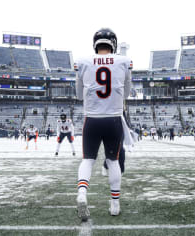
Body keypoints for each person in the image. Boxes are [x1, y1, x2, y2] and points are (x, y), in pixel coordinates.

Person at [75, 28, 132, 221]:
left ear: (95, 44)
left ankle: (82, 193)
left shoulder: (83, 62)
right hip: (113, 119)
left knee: (88, 160)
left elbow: (77, 94)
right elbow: (127, 93)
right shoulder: (124, 61)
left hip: (91, 119)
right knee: (113, 161)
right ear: (113, 44)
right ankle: (115, 204)